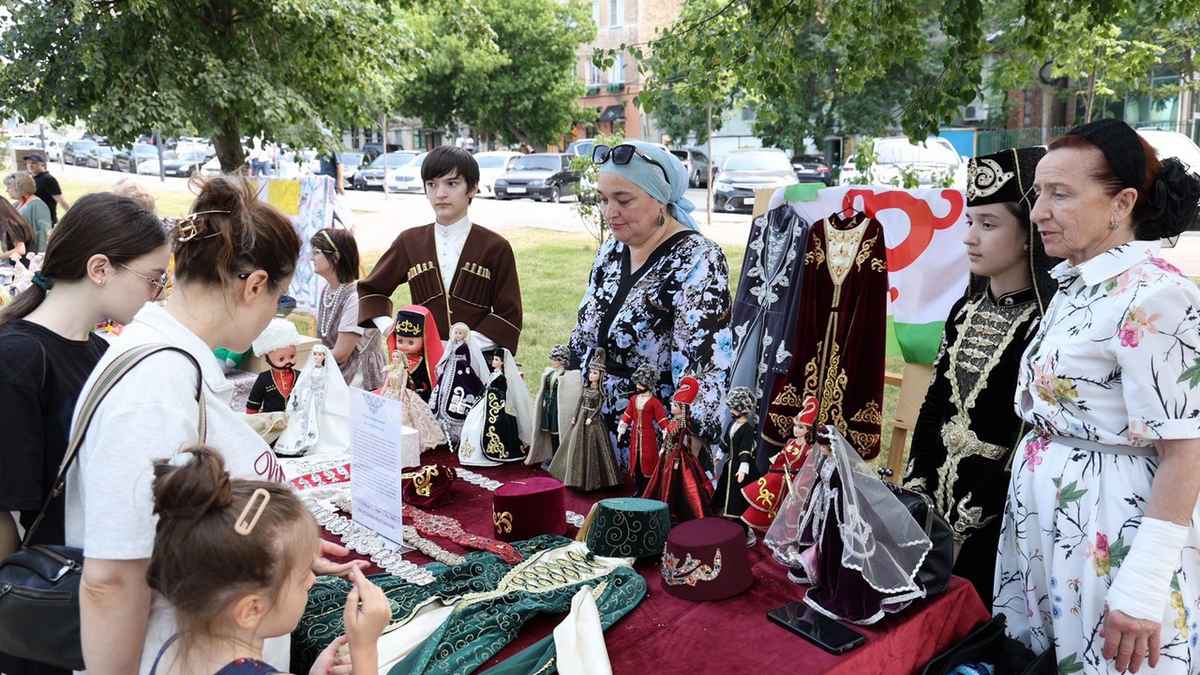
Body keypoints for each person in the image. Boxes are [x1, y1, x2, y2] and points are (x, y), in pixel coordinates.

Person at [64, 176, 366, 675]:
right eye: (278, 298)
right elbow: (112, 578)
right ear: (254, 286)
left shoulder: (171, 363)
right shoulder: (155, 387)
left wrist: (282, 549)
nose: (272, 316)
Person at [993, 119, 1200, 674]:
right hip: (1050, 519)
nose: (1038, 212)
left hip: (1109, 527)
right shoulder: (1078, 283)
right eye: (1039, 193)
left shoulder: (1156, 295)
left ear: (1121, 203)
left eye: (1060, 194)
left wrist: (1143, 584)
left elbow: (1186, 452)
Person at [0, 194, 168, 675]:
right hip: (42, 608)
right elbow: (3, 513)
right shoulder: (18, 359)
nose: (156, 293)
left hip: (92, 587)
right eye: (153, 278)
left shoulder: (100, 350)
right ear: (100, 269)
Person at [902, 146, 1055, 603]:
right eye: (970, 222)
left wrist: (976, 519)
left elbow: (1026, 431)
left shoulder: (1045, 324)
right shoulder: (963, 310)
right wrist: (916, 487)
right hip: (934, 497)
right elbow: (934, 403)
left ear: (1028, 234)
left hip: (998, 513)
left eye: (988, 225)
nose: (970, 238)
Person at [143, 446, 390, 675]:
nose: (312, 581)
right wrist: (364, 650)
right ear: (252, 610)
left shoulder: (168, 652)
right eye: (303, 575)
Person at [568, 140, 731, 471]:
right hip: (594, 434)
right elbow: (585, 333)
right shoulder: (612, 251)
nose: (609, 212)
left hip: (654, 441)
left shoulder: (698, 259)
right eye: (603, 199)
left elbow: (703, 366)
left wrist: (689, 437)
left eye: (623, 200)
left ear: (660, 199)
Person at [357, 146, 524, 354]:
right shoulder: (409, 241)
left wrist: (462, 346)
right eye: (432, 185)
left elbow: (509, 314)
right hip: (422, 362)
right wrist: (391, 329)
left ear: (472, 188)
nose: (440, 194)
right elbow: (371, 290)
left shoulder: (495, 247)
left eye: (452, 183)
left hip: (477, 361)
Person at [310, 228, 384, 389]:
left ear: (336, 257)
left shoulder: (355, 298)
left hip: (358, 380)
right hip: (333, 371)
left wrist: (304, 359)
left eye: (316, 252)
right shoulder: (328, 290)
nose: (311, 258)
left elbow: (341, 354)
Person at [548, 349, 622, 491]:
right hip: (581, 416)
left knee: (593, 445)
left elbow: (598, 408)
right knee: (575, 443)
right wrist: (575, 416)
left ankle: (592, 480)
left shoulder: (599, 392)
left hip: (592, 420)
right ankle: (572, 477)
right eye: (590, 372)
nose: (591, 375)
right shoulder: (585, 388)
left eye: (595, 373)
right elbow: (579, 403)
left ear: (600, 376)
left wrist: (591, 418)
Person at [6, 172, 52, 252]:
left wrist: (40, 256)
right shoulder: (17, 204)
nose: (6, 190)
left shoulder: (38, 205)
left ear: (19, 187)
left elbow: (43, 234)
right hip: (17, 252)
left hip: (30, 254)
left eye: (9, 187)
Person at [24, 154, 68, 224]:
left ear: (42, 164)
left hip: (45, 221)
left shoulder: (49, 179)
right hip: (33, 220)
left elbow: (61, 201)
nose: (30, 165)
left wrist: (74, 216)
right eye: (28, 163)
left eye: (33, 163)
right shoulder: (32, 178)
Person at [0, 199, 34, 264]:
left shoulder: (12, 224)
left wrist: (1, 256)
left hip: (23, 266)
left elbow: (20, 250)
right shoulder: (7, 224)